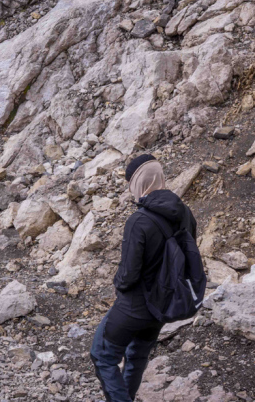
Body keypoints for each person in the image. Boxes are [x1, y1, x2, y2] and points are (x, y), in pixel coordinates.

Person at [90, 155, 198, 402]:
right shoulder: (185, 213)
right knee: (136, 357)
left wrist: (118, 285)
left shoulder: (139, 220)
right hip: (162, 306)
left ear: (138, 183)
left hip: (134, 307)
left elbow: (128, 274)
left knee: (102, 356)